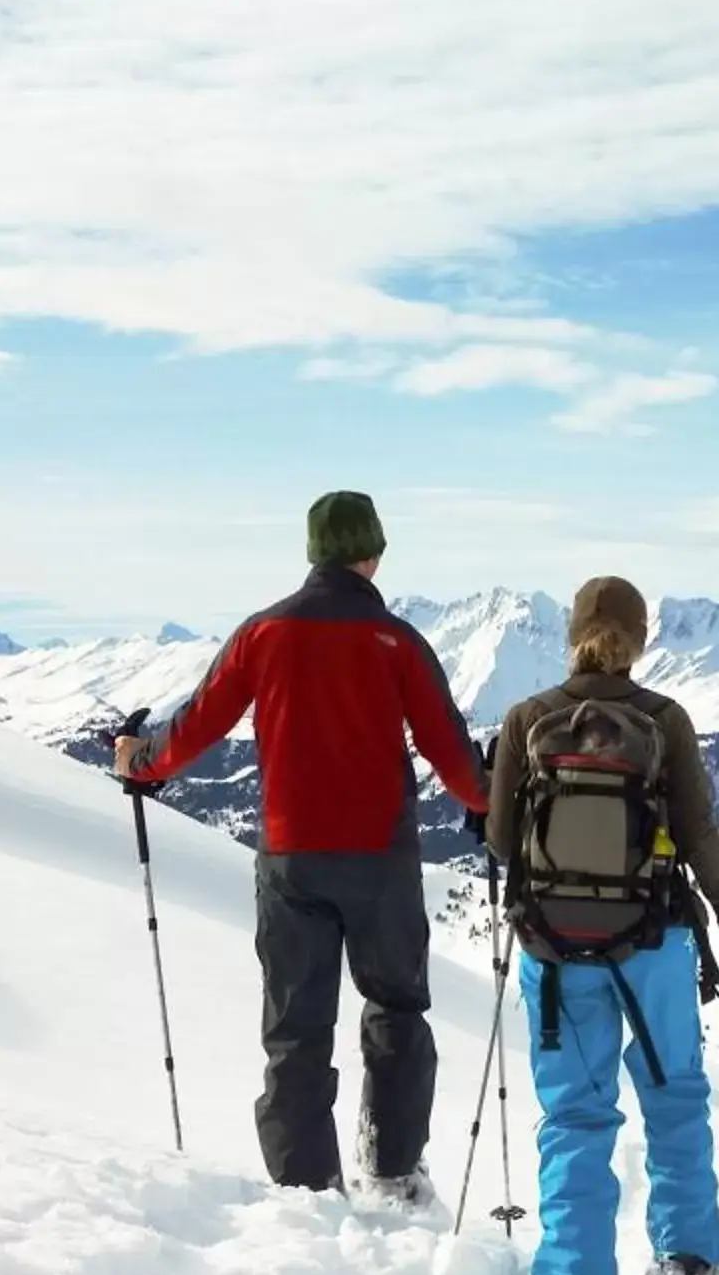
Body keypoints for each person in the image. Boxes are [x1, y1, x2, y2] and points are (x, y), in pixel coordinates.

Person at [115, 491, 488, 1201]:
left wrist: (139, 761)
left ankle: (306, 1190)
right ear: (373, 554)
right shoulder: (399, 642)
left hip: (290, 858)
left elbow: (196, 727)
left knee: (295, 1027)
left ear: (314, 552)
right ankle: (393, 1169)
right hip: (380, 857)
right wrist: (491, 802)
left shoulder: (263, 634)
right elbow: (454, 757)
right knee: (397, 1007)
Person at [486, 576, 719, 1275]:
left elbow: (503, 841)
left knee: (575, 1112)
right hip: (653, 941)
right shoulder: (664, 720)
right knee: (673, 1096)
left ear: (570, 633)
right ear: (640, 639)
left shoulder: (527, 719)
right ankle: (686, 1263)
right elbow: (698, 831)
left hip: (555, 948)